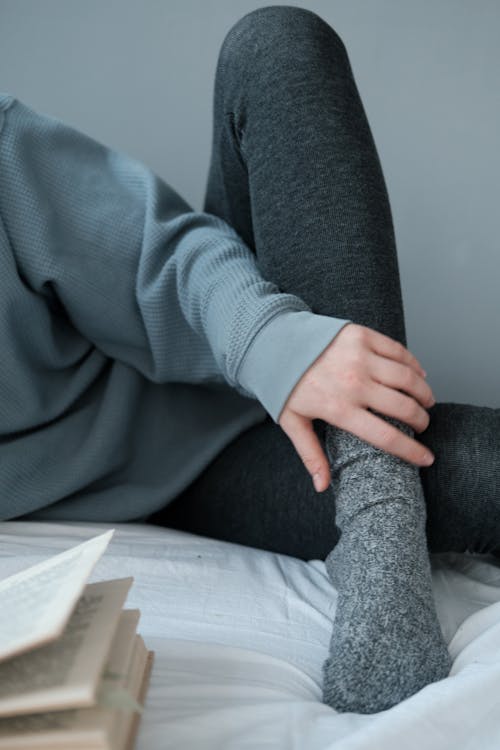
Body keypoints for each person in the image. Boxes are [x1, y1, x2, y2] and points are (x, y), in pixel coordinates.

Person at [0, 5, 498, 714]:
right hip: (196, 481)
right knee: (482, 470)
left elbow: (154, 257)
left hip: (194, 362)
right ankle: (376, 505)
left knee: (277, 45)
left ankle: (375, 511)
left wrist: (273, 343)